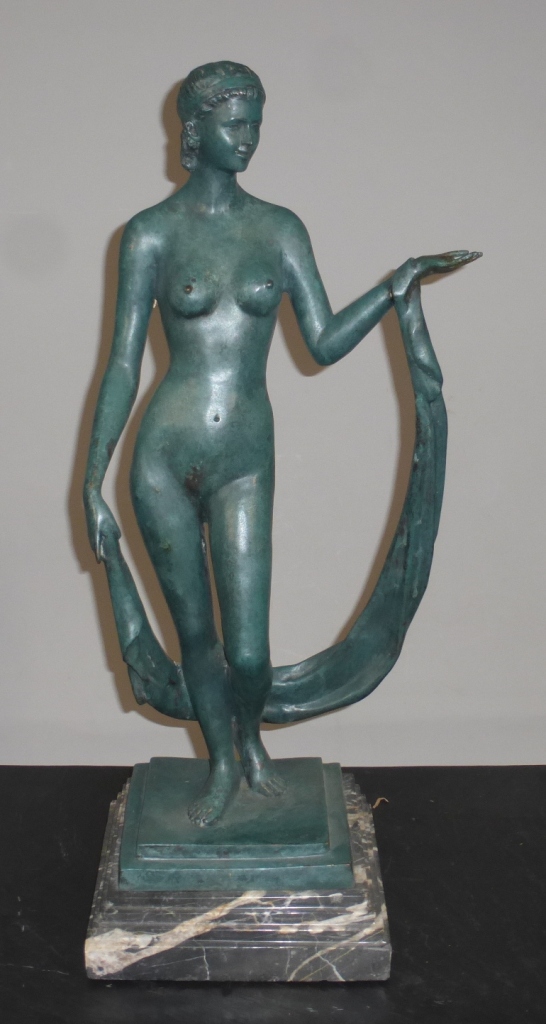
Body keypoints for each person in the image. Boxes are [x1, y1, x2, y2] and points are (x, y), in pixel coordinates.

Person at [84, 61, 479, 825]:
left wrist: (397, 285)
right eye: (236, 123)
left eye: (257, 124)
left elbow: (321, 342)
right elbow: (123, 364)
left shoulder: (279, 228)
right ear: (195, 129)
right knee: (196, 634)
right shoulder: (150, 234)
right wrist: (91, 481)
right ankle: (223, 763)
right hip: (161, 457)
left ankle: (251, 745)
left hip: (244, 459)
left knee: (249, 651)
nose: (249, 138)